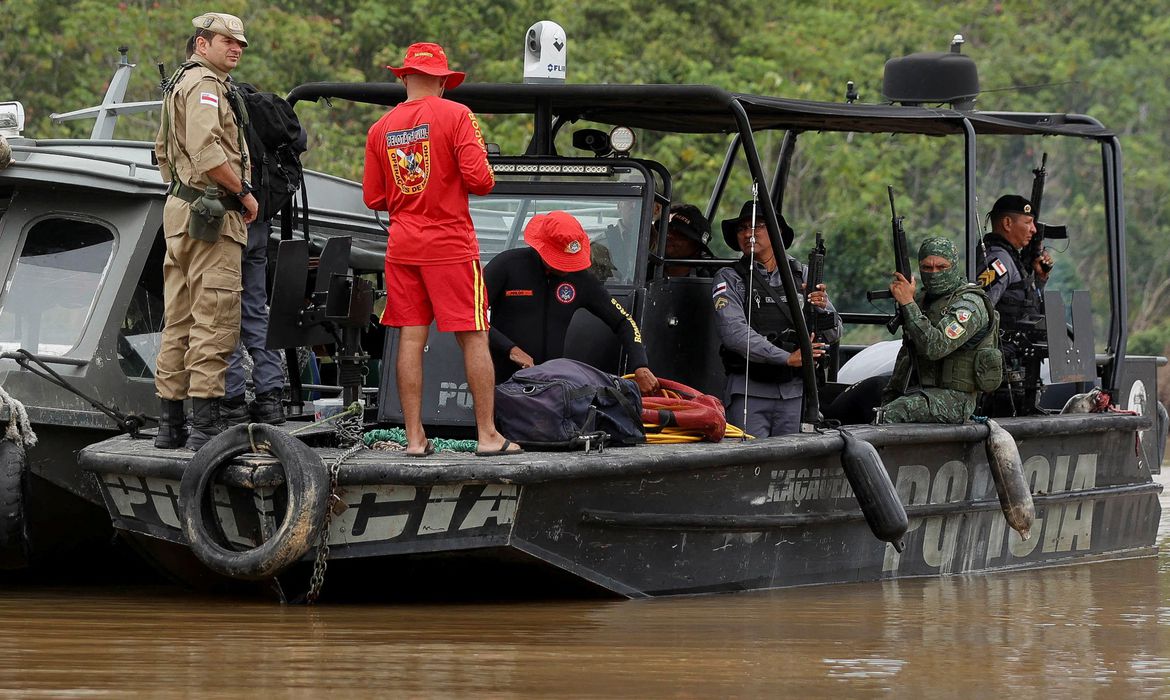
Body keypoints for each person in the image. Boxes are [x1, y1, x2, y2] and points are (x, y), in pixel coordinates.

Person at [363, 42, 519, 457]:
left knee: (411, 341)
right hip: (449, 244)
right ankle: (487, 435)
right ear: (444, 82)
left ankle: (415, 439)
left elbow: (374, 197)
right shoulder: (457, 115)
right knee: (474, 337)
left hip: (402, 247)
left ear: (404, 77)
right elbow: (481, 180)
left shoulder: (380, 129)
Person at [153, 12, 258, 450]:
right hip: (211, 213)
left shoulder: (180, 82)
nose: (235, 48)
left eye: (240, 43)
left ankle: (170, 425)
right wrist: (245, 193)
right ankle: (204, 430)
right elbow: (207, 150)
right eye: (225, 41)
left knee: (178, 319)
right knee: (214, 318)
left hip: (181, 211)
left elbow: (163, 153)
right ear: (201, 43)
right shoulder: (206, 86)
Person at [484, 211, 660, 393]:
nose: (565, 268)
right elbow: (470, 313)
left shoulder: (581, 278)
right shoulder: (507, 265)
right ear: (542, 247)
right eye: (560, 259)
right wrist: (511, 350)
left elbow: (624, 321)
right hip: (499, 382)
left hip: (549, 387)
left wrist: (640, 364)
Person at [711, 200, 841, 437]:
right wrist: (786, 358)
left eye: (757, 226)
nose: (748, 233)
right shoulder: (730, 278)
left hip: (795, 393)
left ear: (776, 232)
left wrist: (821, 308)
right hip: (750, 391)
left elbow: (835, 333)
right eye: (741, 229)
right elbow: (734, 334)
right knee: (748, 463)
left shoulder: (801, 274)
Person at [878, 237, 999, 424]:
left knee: (892, 414)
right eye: (927, 268)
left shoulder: (969, 305)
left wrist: (908, 304)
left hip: (956, 400)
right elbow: (907, 353)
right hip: (920, 390)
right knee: (865, 399)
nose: (934, 273)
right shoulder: (923, 301)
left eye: (941, 267)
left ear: (954, 265)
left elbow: (935, 347)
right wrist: (890, 393)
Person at [978, 194, 1053, 415]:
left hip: (1018, 369)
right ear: (1008, 223)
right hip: (1001, 374)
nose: (1034, 230)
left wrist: (1038, 279)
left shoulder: (1013, 260)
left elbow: (1023, 304)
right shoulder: (997, 261)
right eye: (1028, 223)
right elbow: (980, 309)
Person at [649, 203, 715, 279]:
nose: (669, 235)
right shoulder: (644, 268)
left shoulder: (709, 279)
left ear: (697, 247)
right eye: (670, 229)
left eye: (680, 234)